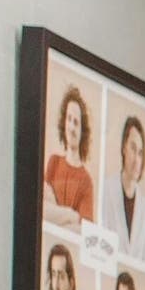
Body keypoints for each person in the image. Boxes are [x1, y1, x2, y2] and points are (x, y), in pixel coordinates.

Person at [43, 86, 95, 224]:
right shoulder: (53, 162)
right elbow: (41, 210)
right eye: (69, 119)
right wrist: (71, 216)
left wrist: (55, 214)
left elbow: (84, 231)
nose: (71, 127)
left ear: (82, 131)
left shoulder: (86, 181)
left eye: (76, 122)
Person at [110, 116, 145, 256]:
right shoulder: (106, 191)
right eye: (133, 148)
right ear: (124, 147)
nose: (137, 159)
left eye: (140, 153)